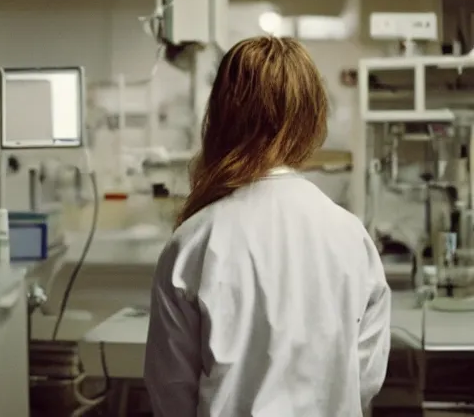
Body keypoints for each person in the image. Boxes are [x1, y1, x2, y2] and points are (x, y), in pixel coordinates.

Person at [144, 36, 391, 417]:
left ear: (221, 117)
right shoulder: (352, 236)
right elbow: (364, 381)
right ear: (312, 119)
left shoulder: (193, 242)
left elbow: (171, 392)